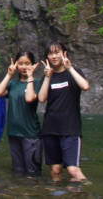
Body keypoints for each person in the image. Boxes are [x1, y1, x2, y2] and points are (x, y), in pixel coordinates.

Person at [38, 41, 90, 182]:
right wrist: (48, 77)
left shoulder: (74, 72)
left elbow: (85, 86)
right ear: (47, 57)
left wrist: (70, 68)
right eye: (50, 53)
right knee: (55, 171)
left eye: (57, 52)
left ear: (64, 53)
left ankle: (88, 191)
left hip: (70, 128)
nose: (54, 56)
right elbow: (41, 98)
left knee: (73, 170)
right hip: (50, 128)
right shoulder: (47, 76)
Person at [0, 51, 42, 176]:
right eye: (20, 63)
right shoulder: (13, 84)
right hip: (13, 132)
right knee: (18, 171)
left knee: (33, 173)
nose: (23, 67)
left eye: (27, 63)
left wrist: (30, 78)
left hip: (30, 133)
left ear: (33, 65)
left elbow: (30, 98)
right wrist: (9, 75)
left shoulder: (37, 82)